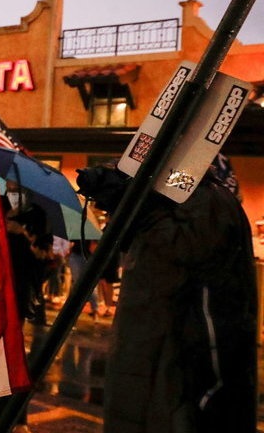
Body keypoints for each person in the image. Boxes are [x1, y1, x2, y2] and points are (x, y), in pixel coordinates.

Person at [77, 164, 258, 432]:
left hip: (180, 387)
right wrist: (124, 203)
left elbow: (182, 253)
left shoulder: (204, 204)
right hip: (145, 372)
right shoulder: (169, 204)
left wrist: (138, 208)